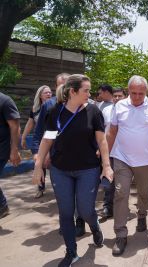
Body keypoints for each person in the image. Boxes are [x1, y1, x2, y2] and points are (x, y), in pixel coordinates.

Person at [32, 74, 113, 267]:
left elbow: (102, 140)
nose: (90, 93)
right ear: (72, 91)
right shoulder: (54, 111)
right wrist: (38, 166)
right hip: (60, 170)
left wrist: (107, 165)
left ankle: (94, 226)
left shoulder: (93, 111)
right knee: (66, 212)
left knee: (85, 210)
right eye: (86, 90)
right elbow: (47, 139)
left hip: (87, 169)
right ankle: (71, 252)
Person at [108, 75, 148, 256]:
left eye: (141, 93)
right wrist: (104, 158)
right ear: (127, 91)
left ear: (147, 92)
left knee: (144, 193)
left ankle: (142, 215)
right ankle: (121, 234)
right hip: (122, 158)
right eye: (133, 93)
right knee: (120, 193)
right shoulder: (119, 106)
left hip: (146, 160)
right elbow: (112, 132)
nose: (137, 97)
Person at [21, 85, 52, 198]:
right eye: (46, 93)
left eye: (50, 92)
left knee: (52, 163)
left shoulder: (54, 106)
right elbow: (30, 124)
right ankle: (40, 187)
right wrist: (23, 137)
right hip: (40, 140)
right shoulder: (35, 109)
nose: (49, 94)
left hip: (52, 140)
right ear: (40, 95)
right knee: (39, 163)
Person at [99, 87, 126, 219]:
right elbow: (100, 131)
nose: (116, 98)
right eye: (115, 96)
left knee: (121, 183)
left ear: (125, 97)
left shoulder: (129, 110)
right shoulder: (105, 110)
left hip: (124, 152)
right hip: (108, 150)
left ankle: (121, 208)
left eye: (119, 96)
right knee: (108, 181)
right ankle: (107, 207)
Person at [0, 93, 21, 219]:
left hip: (2, 148)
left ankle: (2, 206)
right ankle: (2, 206)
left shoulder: (5, 101)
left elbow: (15, 127)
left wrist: (14, 150)